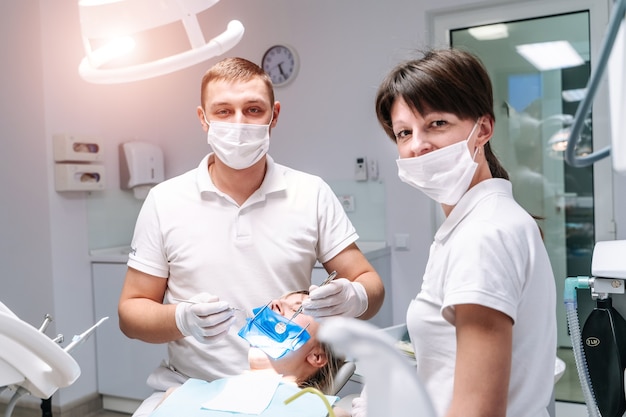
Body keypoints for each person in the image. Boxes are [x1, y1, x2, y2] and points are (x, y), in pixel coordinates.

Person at [117, 57, 384, 416]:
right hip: (186, 388)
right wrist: (181, 319)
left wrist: (354, 297)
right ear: (203, 118)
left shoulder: (310, 193)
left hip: (283, 393)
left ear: (274, 115)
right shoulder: (165, 201)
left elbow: (371, 285)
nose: (239, 123)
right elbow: (131, 313)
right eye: (223, 111)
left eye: (253, 110)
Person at [357, 48, 557, 417]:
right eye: (404, 132)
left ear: (482, 129)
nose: (417, 145)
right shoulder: (480, 222)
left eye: (436, 124)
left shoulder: (484, 235)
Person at [150, 291, 350, 417]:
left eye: (296, 308)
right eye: (278, 302)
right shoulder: (178, 394)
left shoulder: (325, 412)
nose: (273, 305)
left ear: (317, 356)